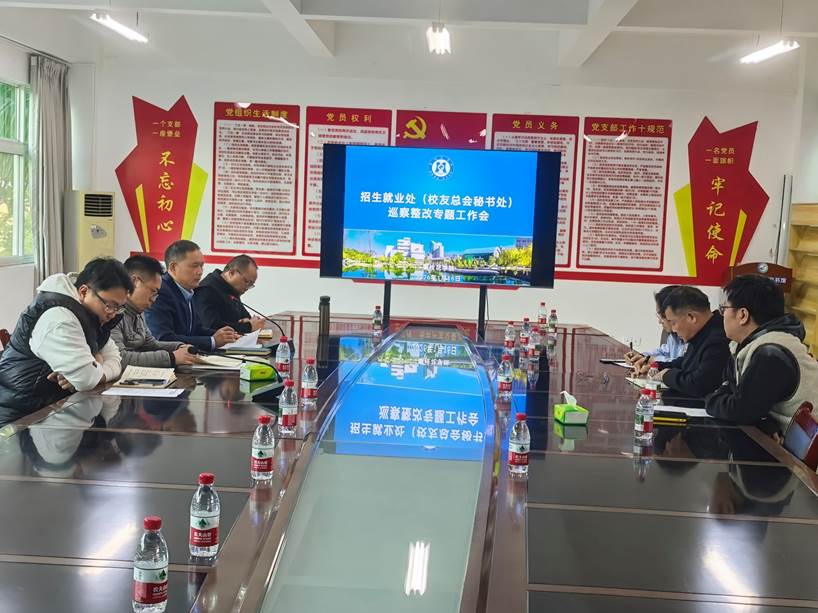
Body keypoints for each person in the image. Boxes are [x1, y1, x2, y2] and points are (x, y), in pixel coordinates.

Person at [0, 258, 130, 415]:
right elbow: (86, 379)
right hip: (22, 417)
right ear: (83, 292)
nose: (113, 314)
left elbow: (116, 359)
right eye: (110, 305)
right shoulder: (60, 318)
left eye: (118, 308)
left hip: (55, 408)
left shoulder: (90, 317)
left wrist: (96, 367)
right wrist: (96, 363)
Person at [706, 275, 818, 433]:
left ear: (742, 315)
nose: (721, 315)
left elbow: (740, 411)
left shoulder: (771, 352)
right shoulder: (745, 345)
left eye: (724, 309)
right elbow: (729, 389)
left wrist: (712, 400)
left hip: (804, 447)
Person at [144, 240, 240, 352]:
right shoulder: (160, 292)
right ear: (173, 267)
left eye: (201, 266)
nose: (200, 272)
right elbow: (163, 338)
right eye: (194, 266)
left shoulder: (186, 289)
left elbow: (195, 330)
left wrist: (225, 336)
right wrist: (212, 341)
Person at [111, 255, 200, 369]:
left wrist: (179, 347)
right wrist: (172, 357)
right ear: (134, 282)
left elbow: (151, 345)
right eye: (153, 292)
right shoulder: (112, 312)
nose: (154, 299)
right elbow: (120, 358)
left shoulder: (138, 312)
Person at [652, 286, 730, 397]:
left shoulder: (718, 339)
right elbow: (685, 363)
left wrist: (667, 375)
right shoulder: (702, 332)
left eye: (673, 323)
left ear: (691, 317)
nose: (673, 329)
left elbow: (699, 383)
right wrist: (656, 367)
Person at [195, 254, 265, 334]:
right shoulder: (207, 289)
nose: (247, 288)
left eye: (251, 285)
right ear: (232, 272)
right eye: (246, 282)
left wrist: (248, 322)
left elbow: (245, 317)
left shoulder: (231, 288)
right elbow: (211, 325)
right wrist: (248, 327)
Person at [625, 285, 687, 370]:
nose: (659, 321)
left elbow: (681, 363)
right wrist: (642, 356)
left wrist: (653, 360)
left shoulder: (689, 337)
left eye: (661, 316)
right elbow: (663, 352)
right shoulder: (673, 336)